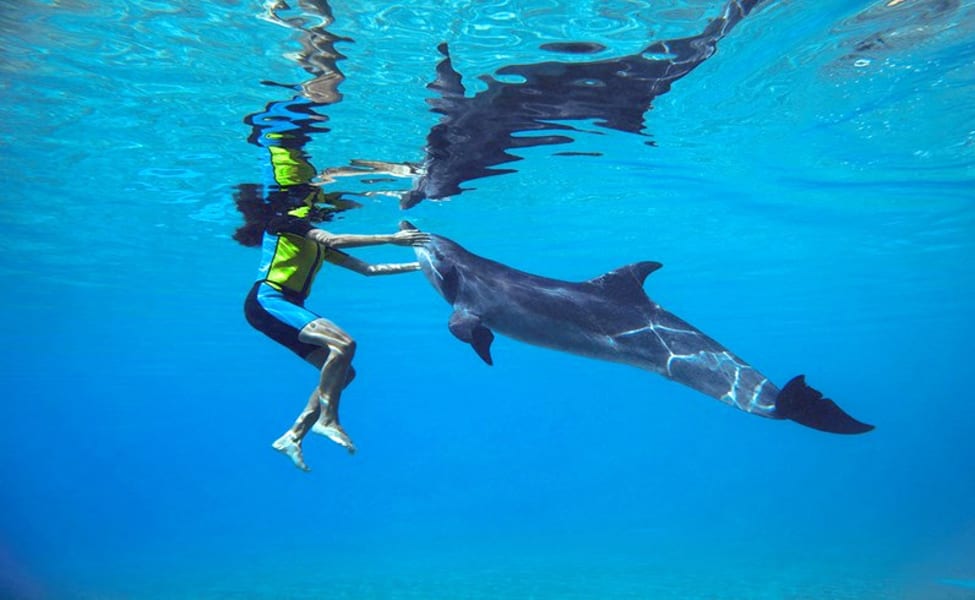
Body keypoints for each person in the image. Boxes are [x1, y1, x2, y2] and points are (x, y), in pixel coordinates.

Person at [243, 199, 428, 471]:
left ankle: (293, 436)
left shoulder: (317, 245)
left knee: (345, 373)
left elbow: (369, 270)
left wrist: (421, 266)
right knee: (343, 342)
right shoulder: (283, 222)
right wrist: (391, 238)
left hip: (287, 307)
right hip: (268, 301)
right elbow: (336, 239)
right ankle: (327, 420)